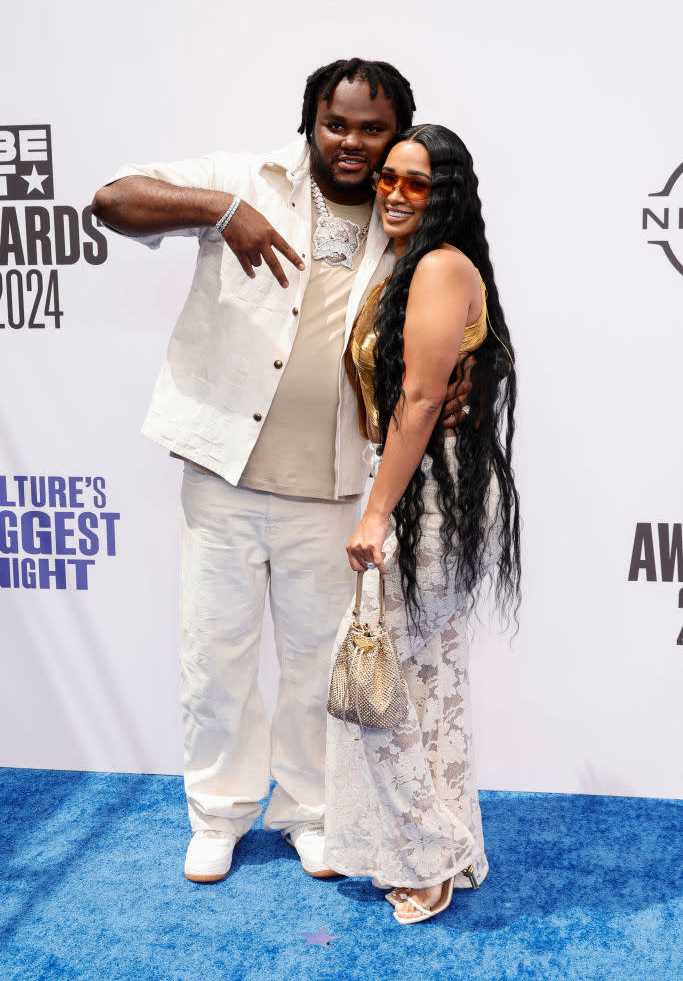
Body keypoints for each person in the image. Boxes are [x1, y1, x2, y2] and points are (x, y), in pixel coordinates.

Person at [91, 60, 468, 883]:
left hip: (336, 486)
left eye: (373, 129)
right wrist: (223, 212)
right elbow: (112, 198)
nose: (353, 143)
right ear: (311, 121)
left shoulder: (405, 220)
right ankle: (218, 815)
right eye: (338, 124)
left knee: (313, 667)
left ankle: (309, 814)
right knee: (214, 657)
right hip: (224, 476)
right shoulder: (244, 179)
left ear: (396, 132)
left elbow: (454, 323)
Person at [324, 124, 521, 923]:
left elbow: (418, 399)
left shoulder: (439, 266)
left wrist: (376, 511)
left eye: (417, 183)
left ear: (446, 193)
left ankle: (424, 860)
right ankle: (453, 849)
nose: (395, 193)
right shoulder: (413, 267)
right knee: (426, 679)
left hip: (421, 495)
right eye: (388, 179)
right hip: (422, 484)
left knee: (387, 684)